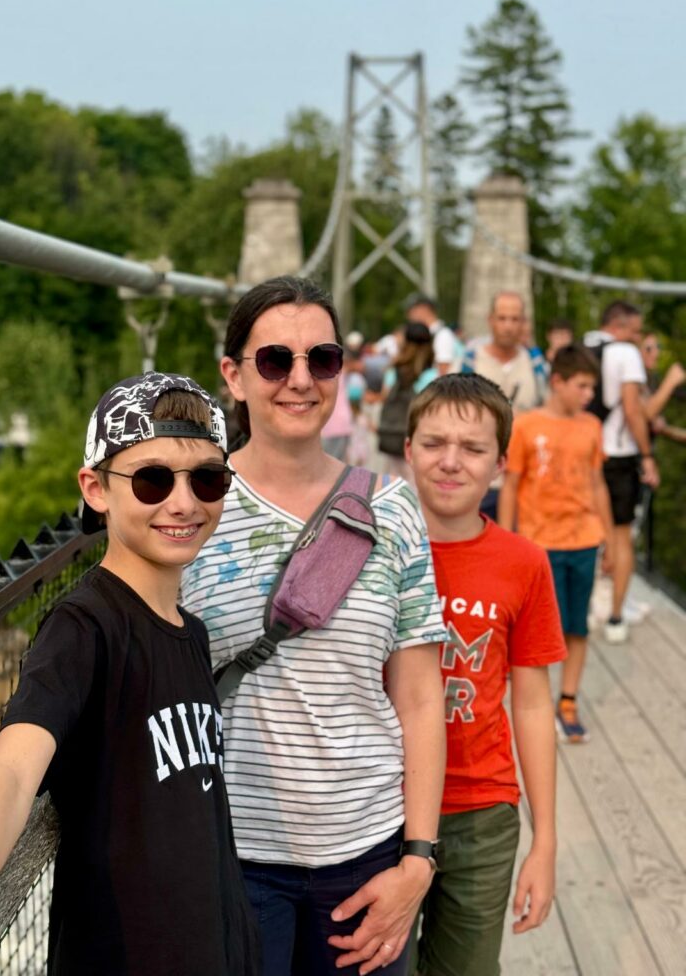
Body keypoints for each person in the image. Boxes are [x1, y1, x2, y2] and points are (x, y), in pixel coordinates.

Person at [0, 373, 259, 976]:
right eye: (153, 479)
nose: (184, 502)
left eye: (207, 478)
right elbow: (12, 771)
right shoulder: (84, 627)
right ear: (96, 488)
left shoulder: (192, 633)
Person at [181, 275, 448, 976]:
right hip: (231, 857)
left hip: (368, 859)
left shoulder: (394, 509)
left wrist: (418, 861)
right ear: (233, 376)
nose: (300, 380)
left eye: (321, 359)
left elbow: (421, 698)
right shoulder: (189, 505)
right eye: (275, 360)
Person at [405, 373, 566, 976]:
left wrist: (544, 840)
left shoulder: (524, 563)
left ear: (500, 464)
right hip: (381, 805)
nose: (451, 462)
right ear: (408, 449)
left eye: (472, 449)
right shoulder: (372, 550)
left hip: (481, 809)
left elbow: (532, 703)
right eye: (434, 443)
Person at [498, 345, 615, 743]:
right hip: (539, 543)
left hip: (584, 538)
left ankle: (568, 699)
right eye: (582, 386)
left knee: (577, 626)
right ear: (558, 381)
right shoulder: (526, 425)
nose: (588, 395)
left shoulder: (591, 426)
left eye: (592, 387)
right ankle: (536, 703)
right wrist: (506, 540)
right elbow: (511, 485)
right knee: (539, 632)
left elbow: (597, 483)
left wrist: (610, 539)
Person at [584, 301, 659, 643]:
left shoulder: (583, 345)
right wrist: (647, 455)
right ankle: (615, 616)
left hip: (582, 451)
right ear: (619, 325)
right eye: (635, 330)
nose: (639, 338)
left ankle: (583, 609)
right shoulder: (625, 353)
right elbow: (631, 408)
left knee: (586, 531)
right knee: (621, 536)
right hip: (617, 455)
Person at [461, 291, 547, 517]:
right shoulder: (469, 361)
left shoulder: (535, 365)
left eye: (514, 319)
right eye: (502, 318)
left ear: (523, 322)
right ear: (490, 320)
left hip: (525, 482)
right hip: (478, 481)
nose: (508, 326)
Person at [378, 321, 438, 483]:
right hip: (417, 440)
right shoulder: (430, 375)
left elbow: (384, 397)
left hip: (391, 436)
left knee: (391, 484)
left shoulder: (394, 370)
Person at [641, 332, 686, 444]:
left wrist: (657, 417)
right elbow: (648, 413)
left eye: (658, 347)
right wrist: (671, 381)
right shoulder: (632, 379)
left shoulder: (651, 378)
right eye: (649, 349)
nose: (656, 353)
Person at [405, 293, 458, 375]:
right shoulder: (434, 334)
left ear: (423, 308)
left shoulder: (443, 335)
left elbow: (444, 372)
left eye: (411, 311)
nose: (408, 316)